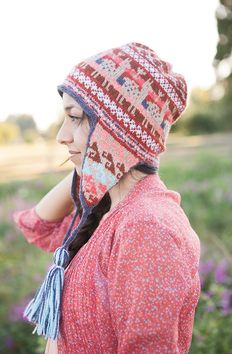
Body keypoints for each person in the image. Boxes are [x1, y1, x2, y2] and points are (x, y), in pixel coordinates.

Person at [13, 42, 201, 354]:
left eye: (74, 117)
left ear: (115, 131)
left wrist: (108, 153)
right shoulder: (108, 207)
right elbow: (37, 227)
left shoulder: (147, 227)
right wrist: (96, 164)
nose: (61, 135)